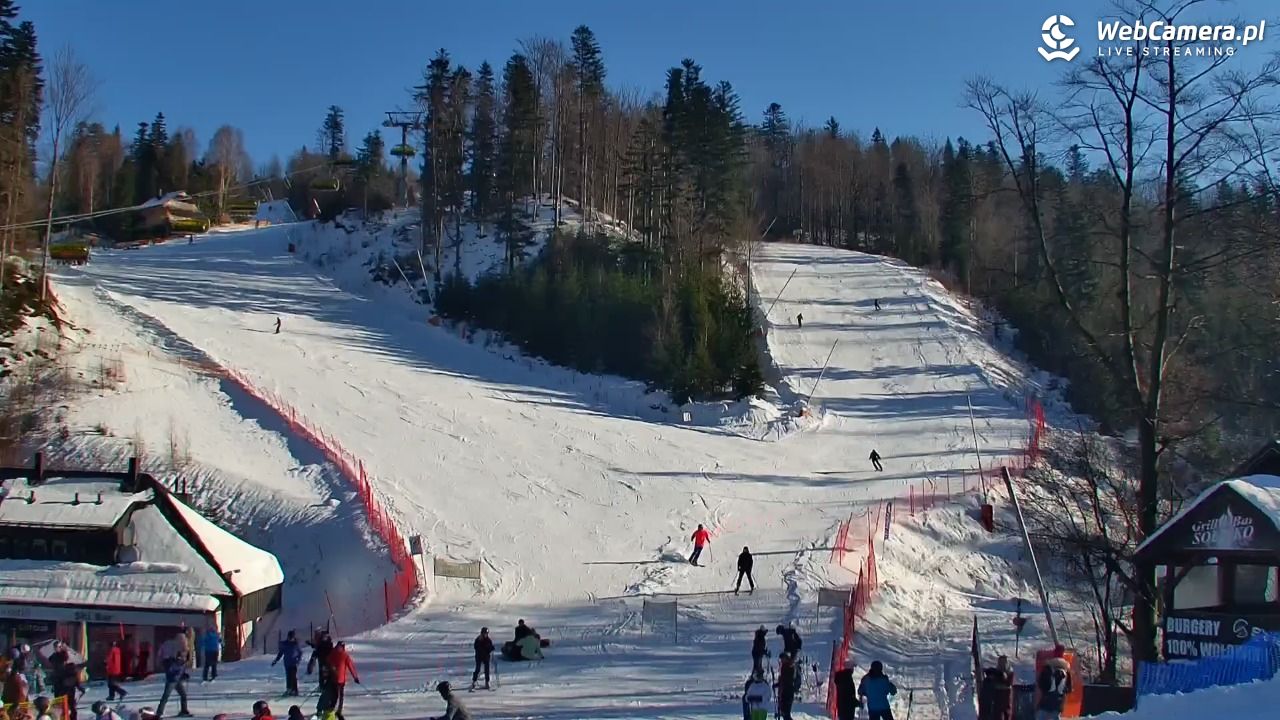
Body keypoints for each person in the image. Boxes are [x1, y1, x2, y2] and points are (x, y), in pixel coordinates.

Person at [155, 639, 191, 719]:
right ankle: (158, 713)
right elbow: (171, 670)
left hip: (177, 680)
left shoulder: (183, 662)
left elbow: (181, 671)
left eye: (185, 655)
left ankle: (184, 711)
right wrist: (178, 673)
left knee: (183, 695)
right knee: (166, 696)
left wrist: (184, 675)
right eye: (183, 655)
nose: (184, 657)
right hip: (171, 680)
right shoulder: (173, 661)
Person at [326, 641, 359, 719]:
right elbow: (351, 666)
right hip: (341, 680)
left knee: (334, 695)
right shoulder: (345, 655)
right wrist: (355, 677)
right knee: (341, 696)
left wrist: (329, 672)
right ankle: (339, 711)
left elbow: (327, 661)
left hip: (333, 678)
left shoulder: (332, 653)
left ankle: (331, 710)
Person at [1036, 646, 1072, 720]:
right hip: (1058, 702)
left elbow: (1040, 685)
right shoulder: (1066, 671)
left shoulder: (1047, 669)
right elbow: (1069, 689)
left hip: (1045, 701)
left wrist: (1037, 703)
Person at [978, 655, 1015, 720]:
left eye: (1004, 663)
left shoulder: (1009, 675)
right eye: (1000, 662)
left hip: (1003, 706)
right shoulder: (994, 675)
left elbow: (1007, 684)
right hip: (994, 706)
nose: (1002, 665)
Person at [272, 630, 304, 696]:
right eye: (289, 638)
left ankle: (295, 690)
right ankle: (289, 689)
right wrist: (276, 660)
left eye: (292, 638)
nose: (290, 639)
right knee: (288, 676)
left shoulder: (296, 644)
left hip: (294, 663)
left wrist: (298, 660)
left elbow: (300, 653)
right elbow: (281, 653)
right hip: (287, 663)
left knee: (293, 676)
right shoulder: (285, 644)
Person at [774, 653, 797, 720]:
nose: (781, 661)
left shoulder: (789, 666)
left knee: (786, 713)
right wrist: (778, 684)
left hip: (788, 691)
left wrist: (780, 683)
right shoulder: (784, 666)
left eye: (782, 659)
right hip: (784, 691)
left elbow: (787, 679)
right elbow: (783, 679)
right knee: (784, 712)